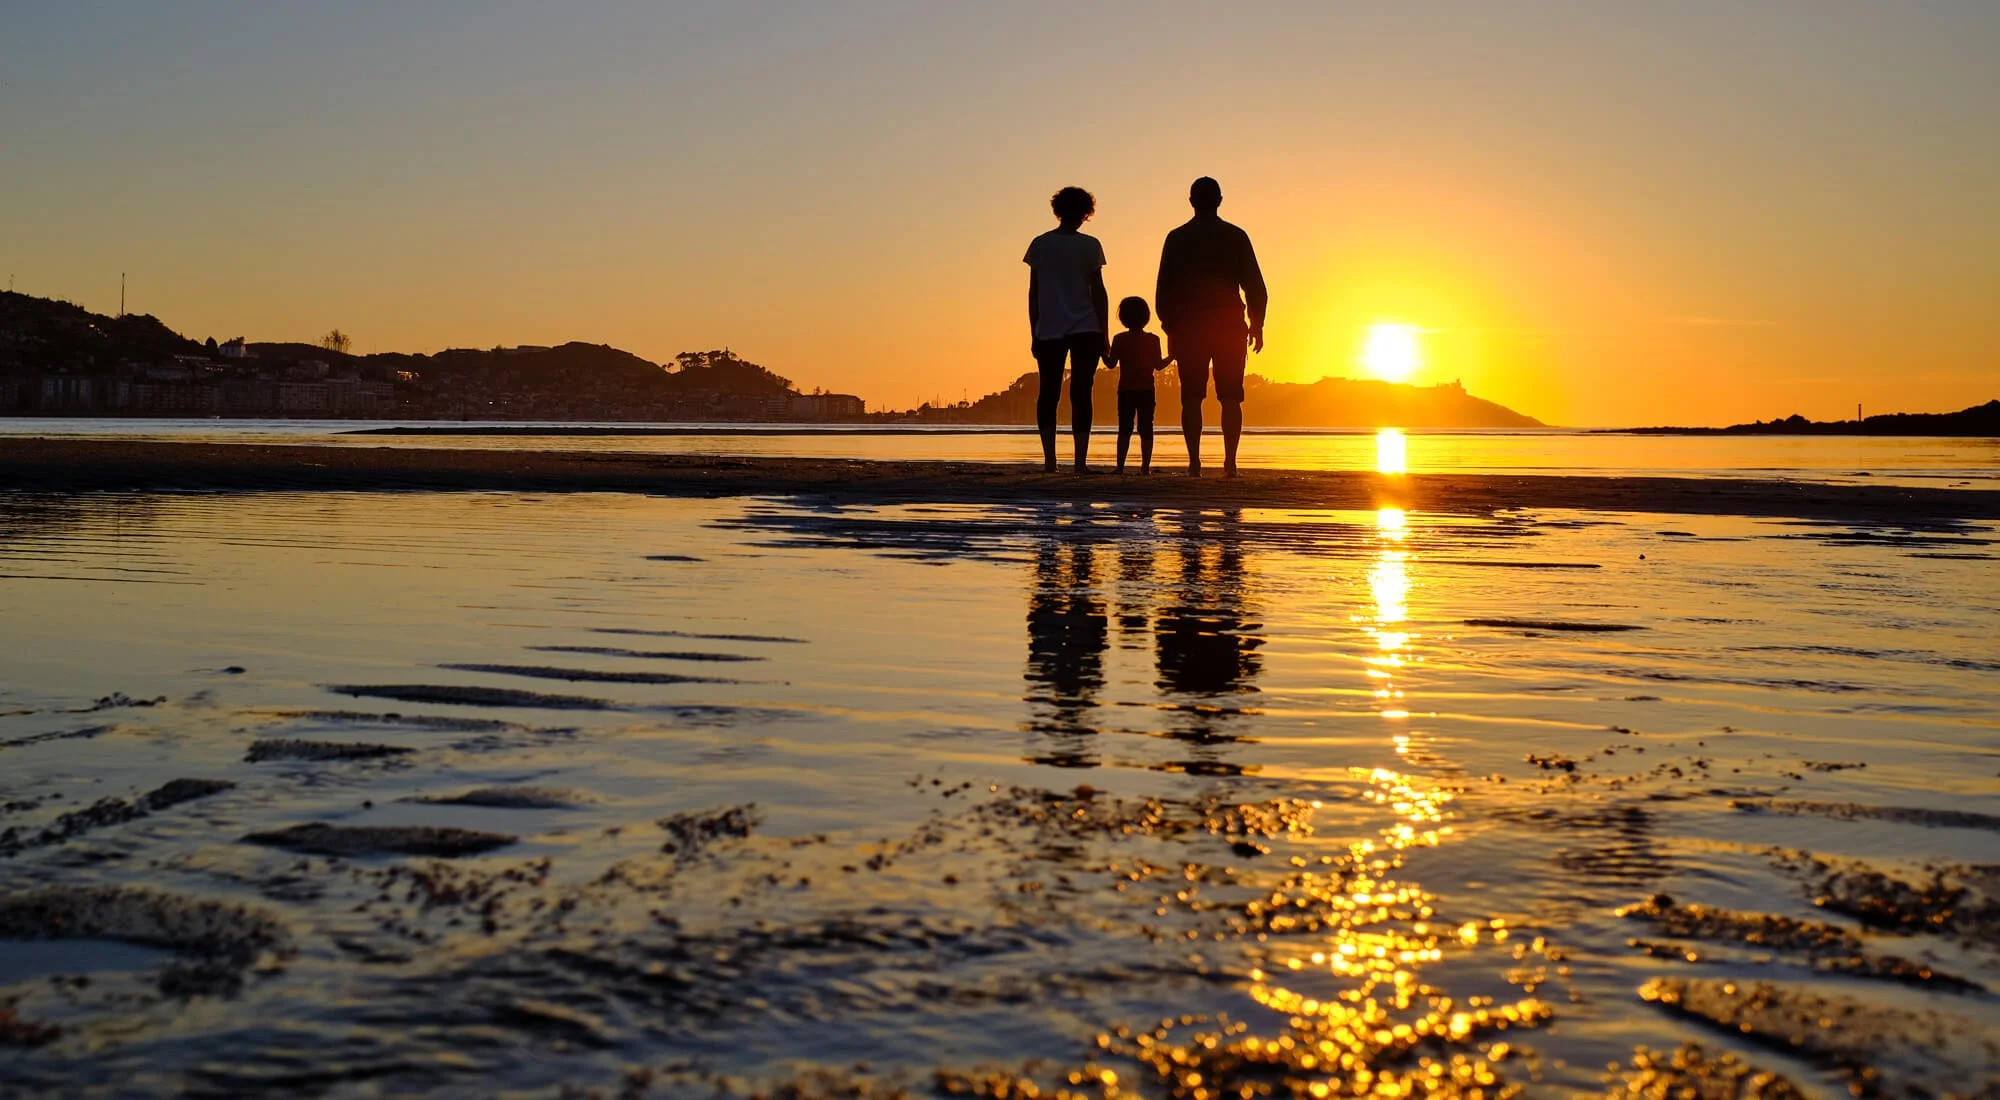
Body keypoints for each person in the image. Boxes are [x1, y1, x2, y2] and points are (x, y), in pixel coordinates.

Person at [1154, 176, 1267, 477]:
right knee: (1230, 395)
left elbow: (1164, 288)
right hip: (1228, 323)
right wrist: (1257, 324)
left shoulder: (1177, 238)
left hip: (1191, 326)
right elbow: (1255, 286)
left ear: (1191, 201)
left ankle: (1195, 463)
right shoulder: (1235, 236)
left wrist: (1170, 326)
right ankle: (1230, 462)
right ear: (1219, 200)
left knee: (1192, 395)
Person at [1024, 186, 1110, 471]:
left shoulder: (1040, 244)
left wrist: (1033, 329)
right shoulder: (1089, 245)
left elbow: (1033, 293)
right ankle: (1080, 462)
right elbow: (1099, 292)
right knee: (1081, 392)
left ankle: (1051, 460)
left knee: (1049, 392)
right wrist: (1105, 334)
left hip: (1049, 326)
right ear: (1086, 213)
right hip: (1086, 326)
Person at [1101, 296, 1174, 474]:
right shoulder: (1153, 340)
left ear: (1123, 317)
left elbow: (1110, 364)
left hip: (1126, 390)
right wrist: (1173, 355)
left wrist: (1102, 349)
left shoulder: (1119, 339)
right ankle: (1145, 467)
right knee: (1146, 428)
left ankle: (1119, 467)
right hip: (1146, 390)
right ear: (1146, 316)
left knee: (1124, 428)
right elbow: (1158, 365)